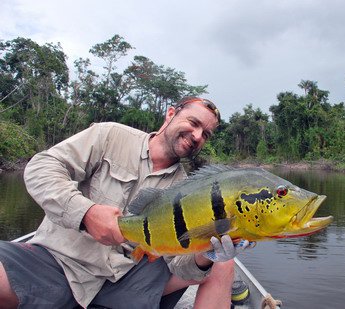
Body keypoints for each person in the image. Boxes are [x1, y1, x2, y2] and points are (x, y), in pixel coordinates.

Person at [0, 97, 250, 308]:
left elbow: (179, 263)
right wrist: (86, 213)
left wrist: (205, 257)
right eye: (193, 123)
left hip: (127, 281)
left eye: (205, 134)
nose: (197, 136)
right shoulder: (110, 135)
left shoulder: (187, 189)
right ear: (171, 114)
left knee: (222, 262)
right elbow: (42, 167)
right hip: (56, 263)